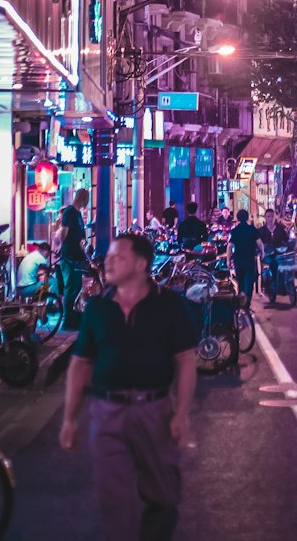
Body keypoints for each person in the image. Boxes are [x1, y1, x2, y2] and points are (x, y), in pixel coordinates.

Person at [59, 233, 196, 541]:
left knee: (164, 498)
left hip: (155, 410)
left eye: (117, 257)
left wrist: (181, 413)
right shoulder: (97, 308)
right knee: (115, 503)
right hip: (107, 412)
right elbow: (80, 364)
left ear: (140, 264)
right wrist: (69, 418)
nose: (108, 262)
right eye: (108, 257)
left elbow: (186, 360)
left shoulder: (169, 304)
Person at [59, 187, 90, 331]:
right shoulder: (70, 212)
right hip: (69, 256)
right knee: (71, 288)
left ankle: (74, 318)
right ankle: (68, 320)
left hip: (77, 256)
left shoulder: (77, 214)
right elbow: (63, 233)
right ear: (83, 198)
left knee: (76, 287)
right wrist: (62, 246)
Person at [228, 208, 261, 310]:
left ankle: (241, 303)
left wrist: (228, 260)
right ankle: (247, 303)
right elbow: (260, 243)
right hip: (250, 258)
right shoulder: (253, 229)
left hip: (238, 259)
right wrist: (262, 253)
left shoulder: (234, 231)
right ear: (247, 218)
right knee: (249, 282)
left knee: (240, 281)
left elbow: (229, 246)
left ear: (237, 218)